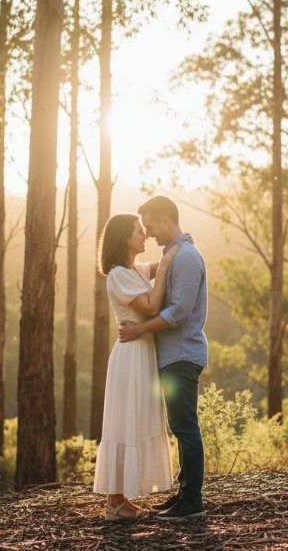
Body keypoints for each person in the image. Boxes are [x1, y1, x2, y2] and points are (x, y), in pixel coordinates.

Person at [119, 196, 208, 520]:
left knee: (185, 427)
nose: (150, 233)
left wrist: (140, 330)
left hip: (182, 353)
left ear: (166, 221)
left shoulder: (184, 257)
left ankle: (192, 501)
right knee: (180, 425)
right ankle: (184, 494)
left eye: (152, 226)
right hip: (174, 355)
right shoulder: (176, 253)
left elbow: (179, 312)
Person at [92, 213, 180, 520]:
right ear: (124, 238)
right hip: (129, 357)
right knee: (123, 422)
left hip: (142, 352)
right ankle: (114, 503)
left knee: (136, 420)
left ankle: (120, 500)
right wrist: (168, 262)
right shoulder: (118, 274)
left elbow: (159, 268)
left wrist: (175, 247)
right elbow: (152, 307)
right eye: (139, 231)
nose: (145, 236)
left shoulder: (135, 270)